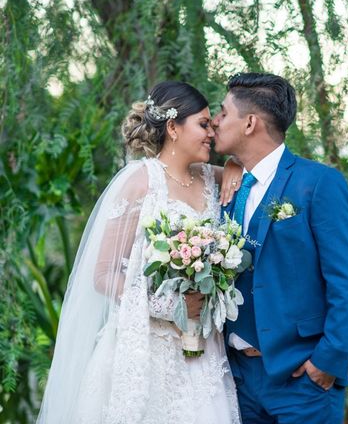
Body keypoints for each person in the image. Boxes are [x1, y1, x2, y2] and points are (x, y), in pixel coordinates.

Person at [37, 81, 244, 424]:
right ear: (174, 128)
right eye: (203, 124)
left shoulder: (212, 178)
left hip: (203, 349)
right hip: (148, 346)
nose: (212, 133)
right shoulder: (139, 181)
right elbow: (103, 274)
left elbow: (252, 177)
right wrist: (171, 305)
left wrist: (235, 164)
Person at [211, 72, 348, 423]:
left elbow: (347, 280)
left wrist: (328, 359)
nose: (215, 122)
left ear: (250, 123)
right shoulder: (229, 187)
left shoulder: (319, 183)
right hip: (237, 378)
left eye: (223, 113)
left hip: (303, 380)